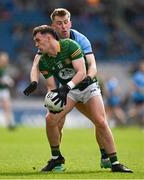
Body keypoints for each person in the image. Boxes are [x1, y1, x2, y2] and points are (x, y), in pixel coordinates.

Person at [24, 25, 133, 173]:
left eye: (38, 40)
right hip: (69, 92)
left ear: (48, 37)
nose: (36, 44)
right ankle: (57, 159)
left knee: (100, 121)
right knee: (50, 119)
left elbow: (82, 72)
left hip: (88, 87)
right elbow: (51, 86)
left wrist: (66, 88)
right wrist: (52, 97)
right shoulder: (44, 61)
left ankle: (115, 163)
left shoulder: (70, 45)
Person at [0, 52, 15, 130]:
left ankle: (9, 124)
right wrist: (2, 80)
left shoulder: (5, 68)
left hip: (3, 90)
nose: (5, 61)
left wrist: (8, 81)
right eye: (4, 60)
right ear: (0, 60)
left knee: (7, 107)